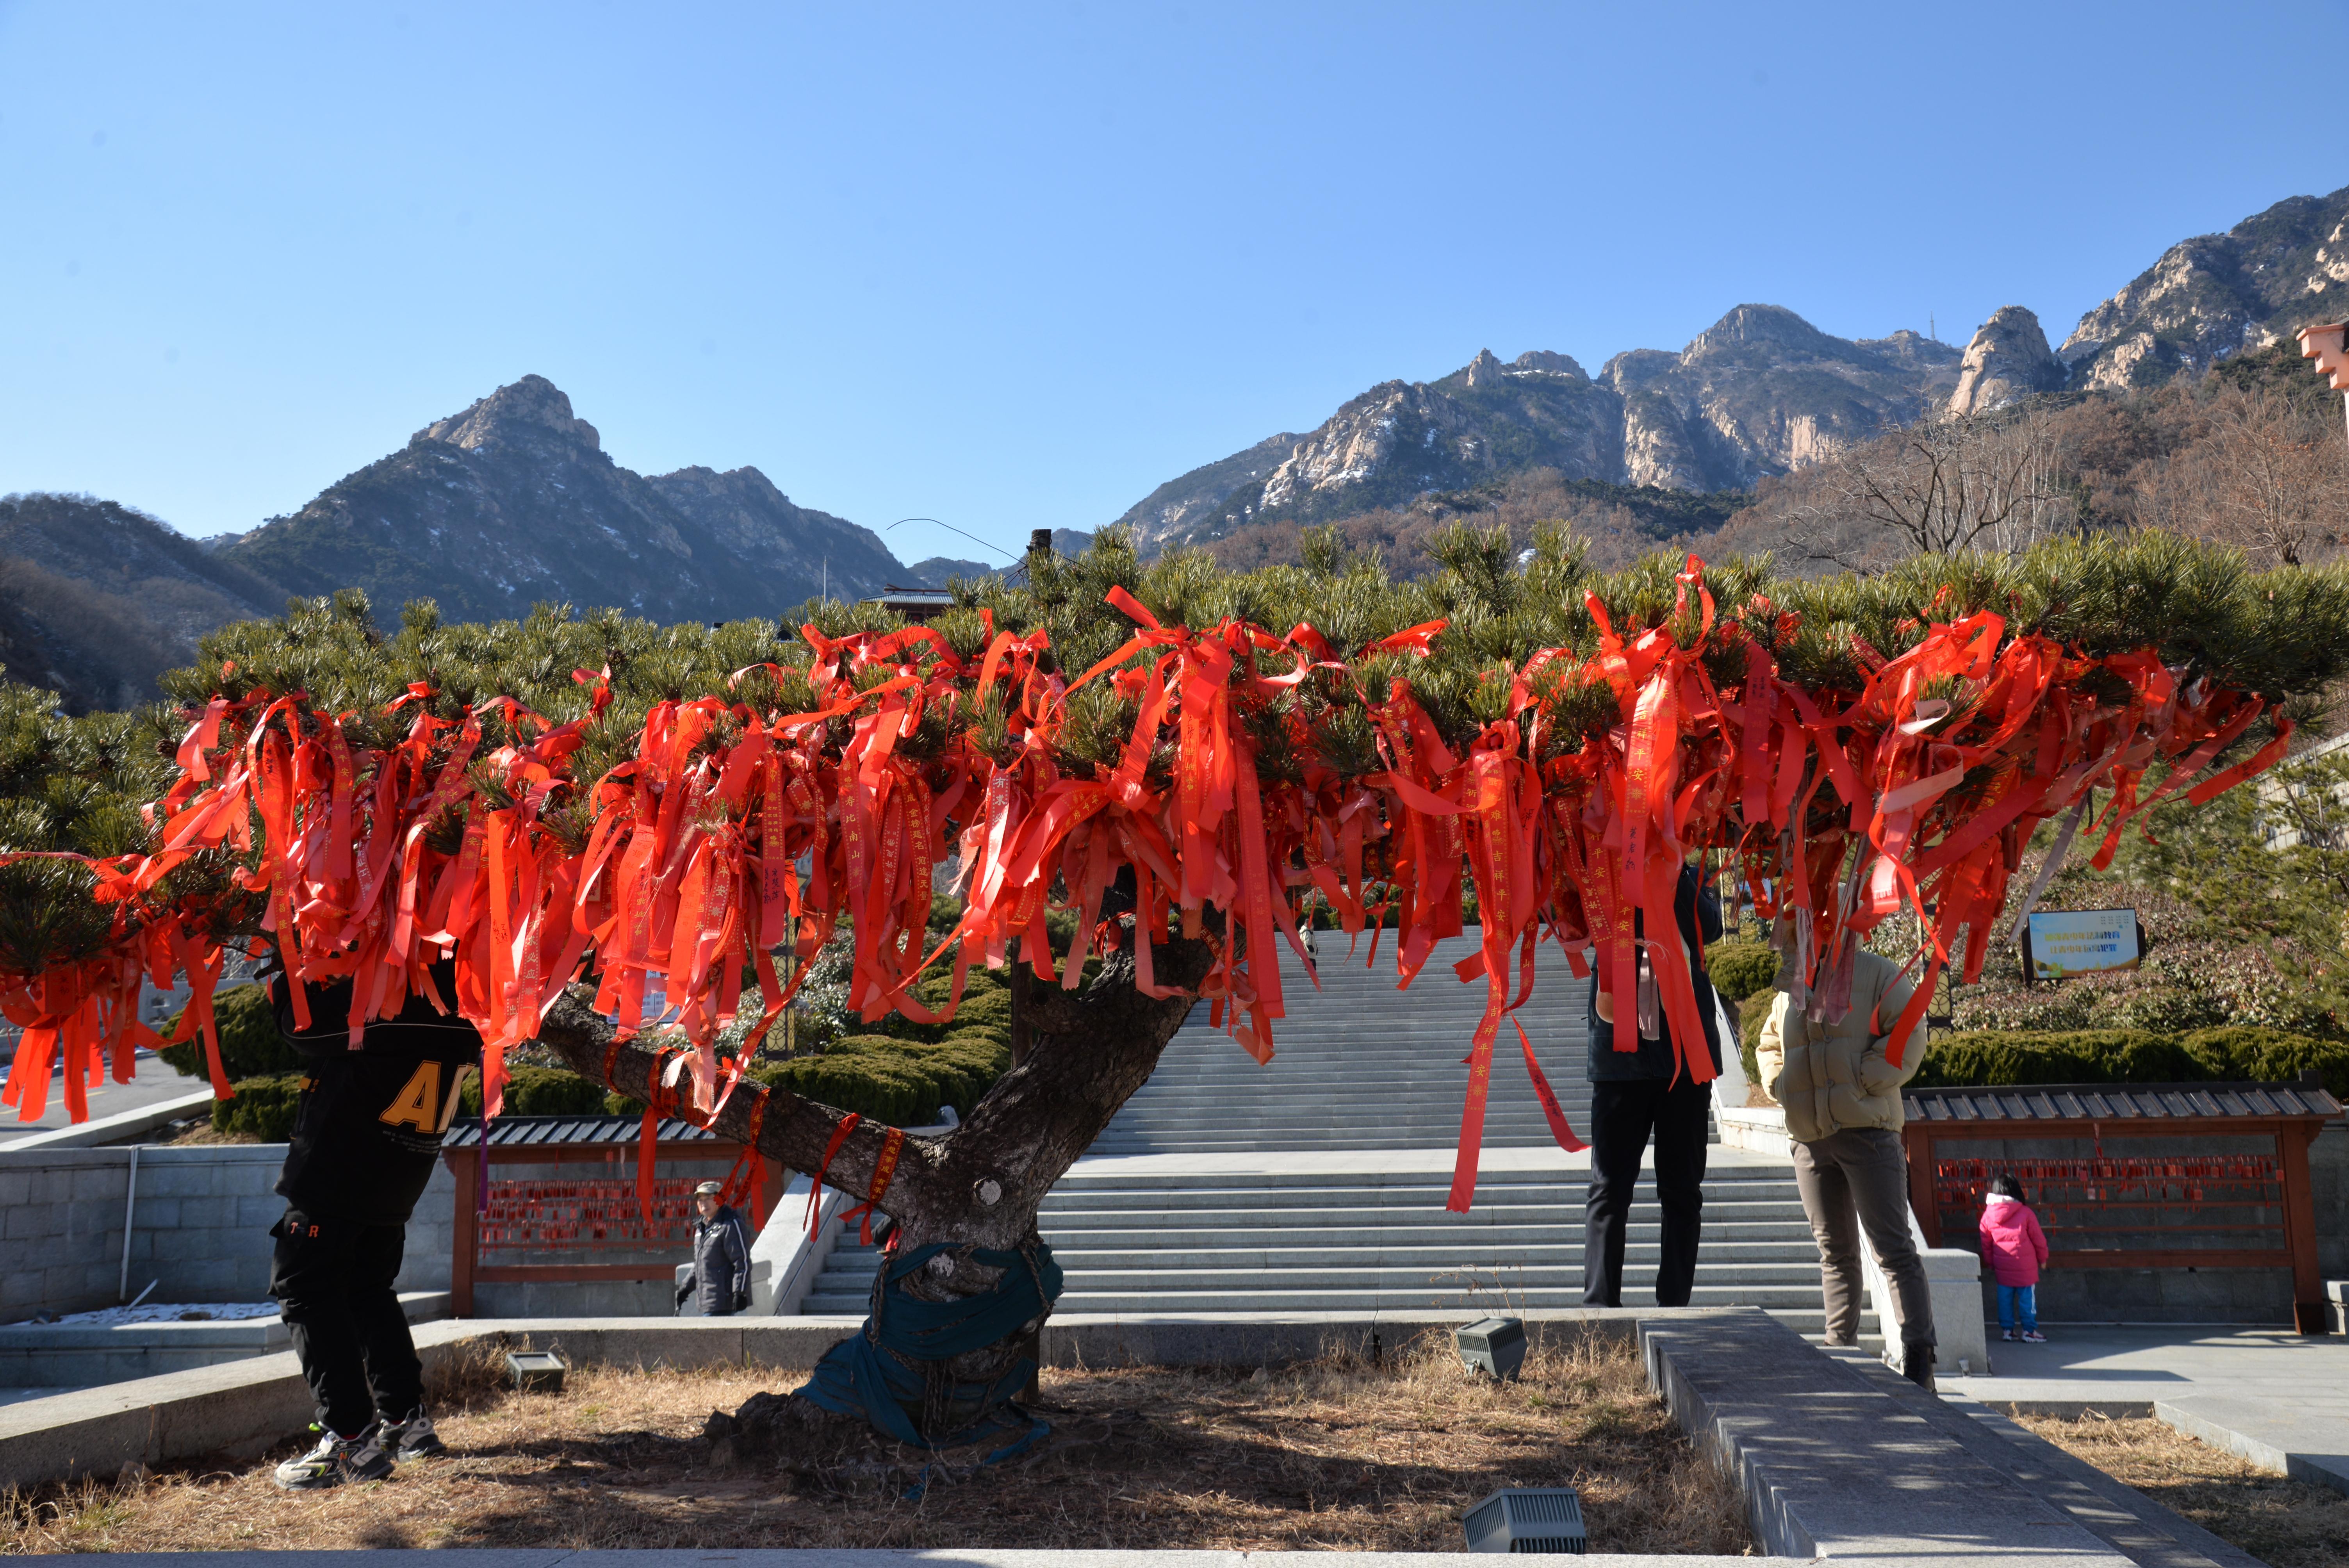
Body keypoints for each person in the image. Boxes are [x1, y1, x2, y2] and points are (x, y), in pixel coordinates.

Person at [267, 958, 483, 1490]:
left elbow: (301, 1022)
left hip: (343, 1171)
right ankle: (406, 1422)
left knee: (305, 1287)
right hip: (397, 1176)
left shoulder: (396, 989)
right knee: (367, 1289)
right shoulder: (467, 990)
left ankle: (348, 1438)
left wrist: (292, 954)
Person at [1755, 932, 1939, 1390]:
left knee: (1893, 1248)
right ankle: (1840, 1353)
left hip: (1868, 1131)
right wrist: (1783, 1087)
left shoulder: (1877, 972)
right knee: (1833, 1251)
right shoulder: (1792, 981)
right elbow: (1769, 1042)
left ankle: (1920, 1359)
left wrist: (1862, 1079)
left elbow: (1911, 1027)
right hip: (1810, 1138)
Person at [1582, 860, 1722, 1308]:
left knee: (1682, 1191)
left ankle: (1675, 1306)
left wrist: (1673, 866)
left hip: (1686, 1054)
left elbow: (1709, 927)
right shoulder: (1597, 868)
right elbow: (1573, 923)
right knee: (1608, 1188)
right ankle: (1600, 1309)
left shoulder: (1690, 871)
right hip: (1619, 1055)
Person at [1979, 1174, 2049, 1343]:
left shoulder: (1988, 1216)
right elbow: (2039, 1240)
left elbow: (1986, 1244)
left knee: (2005, 1301)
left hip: (2002, 1267)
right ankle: (2029, 1331)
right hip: (2026, 1268)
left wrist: (1990, 1263)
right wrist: (2043, 1258)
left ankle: (2008, 1332)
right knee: (2027, 1301)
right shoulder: (2026, 1213)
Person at [677, 1179, 753, 1317]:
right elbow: (700, 1265)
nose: (703, 1203)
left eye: (708, 1199)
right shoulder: (701, 1228)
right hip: (707, 1301)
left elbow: (742, 1262)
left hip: (724, 1301)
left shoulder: (731, 1224)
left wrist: (740, 1292)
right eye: (700, 1200)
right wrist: (685, 1289)